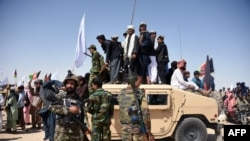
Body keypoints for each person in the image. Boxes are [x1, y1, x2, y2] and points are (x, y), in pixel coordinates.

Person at [48, 71, 89, 141]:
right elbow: (51, 107)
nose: (69, 85)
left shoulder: (79, 99)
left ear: (76, 85)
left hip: (75, 133)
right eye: (68, 83)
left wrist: (86, 126)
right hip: (61, 132)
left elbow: (84, 115)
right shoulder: (60, 96)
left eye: (72, 84)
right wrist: (68, 109)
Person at [118, 73, 154, 141]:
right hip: (137, 129)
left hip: (125, 128)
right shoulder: (139, 93)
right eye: (139, 81)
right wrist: (148, 131)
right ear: (134, 82)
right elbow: (146, 113)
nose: (140, 84)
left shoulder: (121, 93)